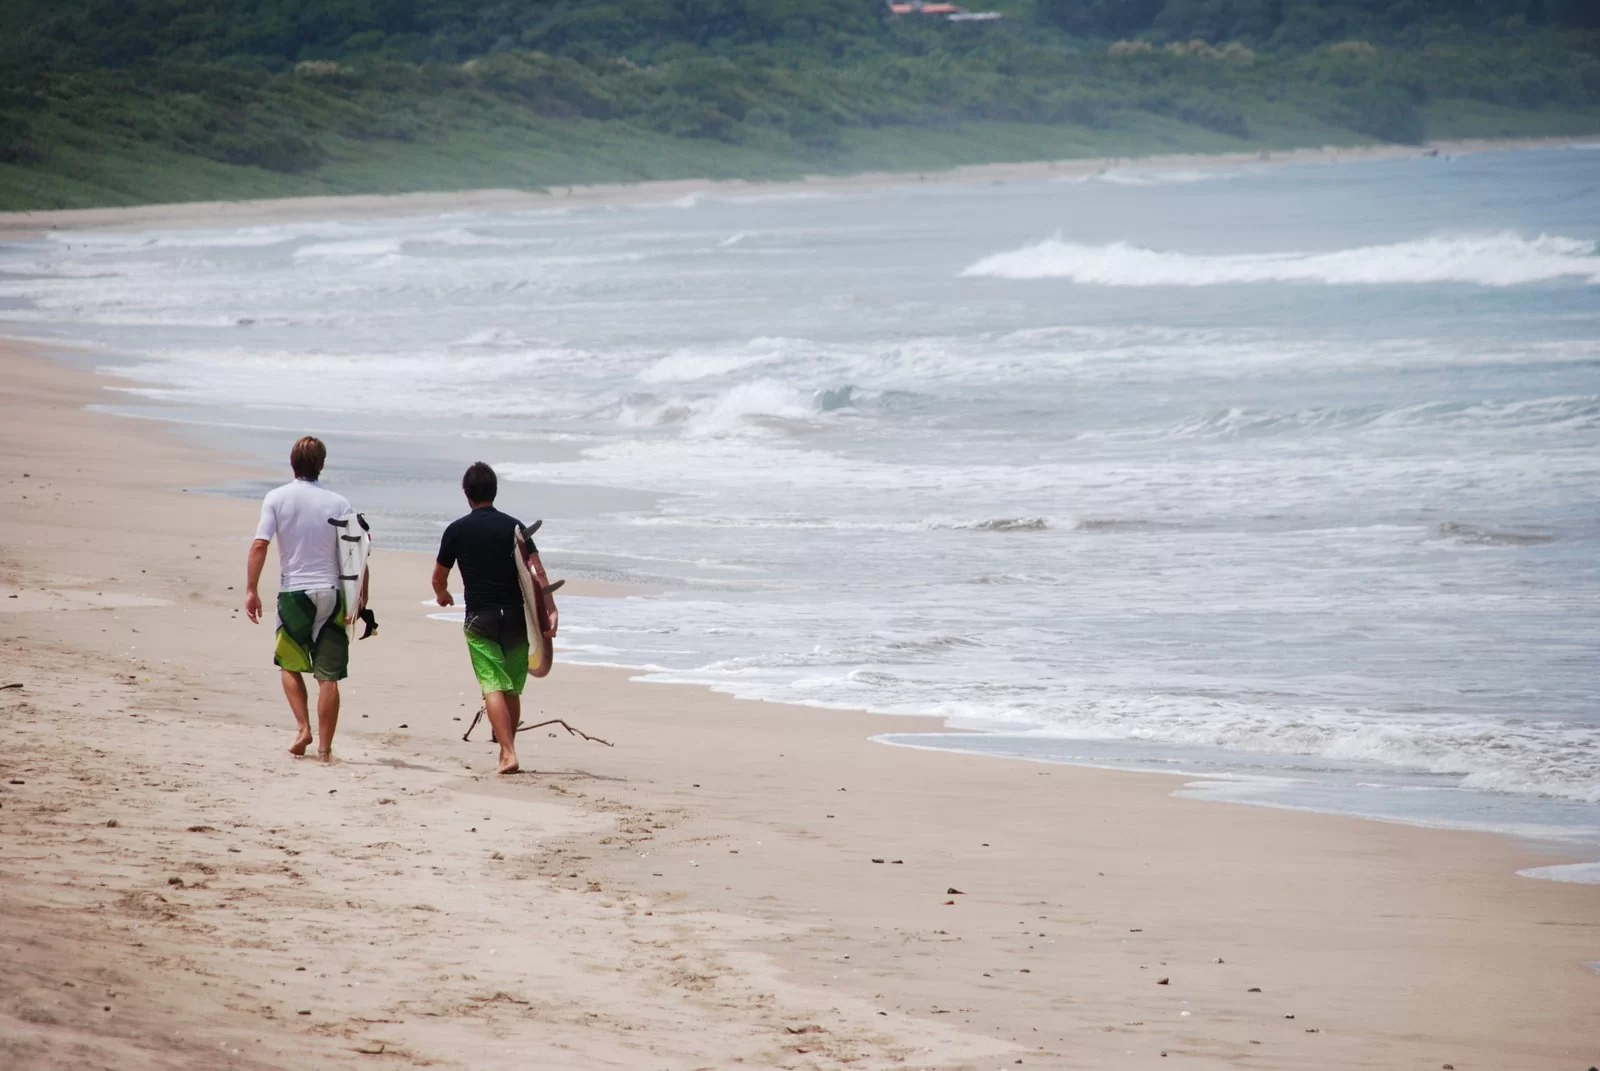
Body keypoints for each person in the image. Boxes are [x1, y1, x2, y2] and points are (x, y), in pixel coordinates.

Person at [431, 461, 555, 775]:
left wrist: (443, 595)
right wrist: (551, 611)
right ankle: (505, 752)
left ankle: (508, 752)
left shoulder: (456, 530)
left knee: (492, 686)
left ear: (466, 494)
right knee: (511, 688)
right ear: (494, 491)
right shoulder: (514, 527)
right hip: (513, 618)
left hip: (479, 620)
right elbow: (537, 575)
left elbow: (438, 577)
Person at [244, 436, 354, 762]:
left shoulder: (277, 499)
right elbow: (355, 555)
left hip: (295, 592)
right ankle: (324, 749)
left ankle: (304, 728)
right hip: (333, 594)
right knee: (328, 677)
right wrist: (360, 600)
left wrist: (251, 589)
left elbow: (260, 545)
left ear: (292, 463)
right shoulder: (339, 503)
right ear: (321, 465)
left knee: (289, 664)